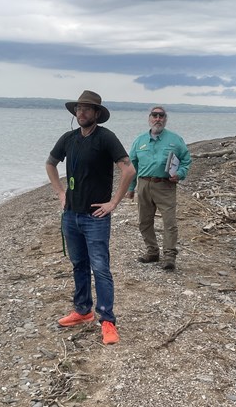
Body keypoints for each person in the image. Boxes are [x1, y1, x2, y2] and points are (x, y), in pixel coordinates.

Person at [46, 90, 136, 345]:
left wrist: (114, 202)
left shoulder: (106, 138)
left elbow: (128, 169)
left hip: (95, 217)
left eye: (87, 108)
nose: (82, 112)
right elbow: (50, 164)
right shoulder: (69, 138)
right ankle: (83, 310)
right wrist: (60, 193)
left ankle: (107, 320)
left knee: (101, 268)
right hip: (71, 215)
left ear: (97, 113)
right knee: (79, 265)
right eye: (79, 108)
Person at [128, 106, 191, 271]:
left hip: (165, 185)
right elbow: (132, 165)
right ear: (149, 118)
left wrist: (180, 173)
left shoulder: (175, 140)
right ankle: (152, 252)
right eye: (154, 115)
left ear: (165, 119)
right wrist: (131, 187)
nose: (158, 119)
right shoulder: (139, 141)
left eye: (161, 116)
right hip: (144, 184)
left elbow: (185, 160)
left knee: (169, 222)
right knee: (144, 221)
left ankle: (169, 256)